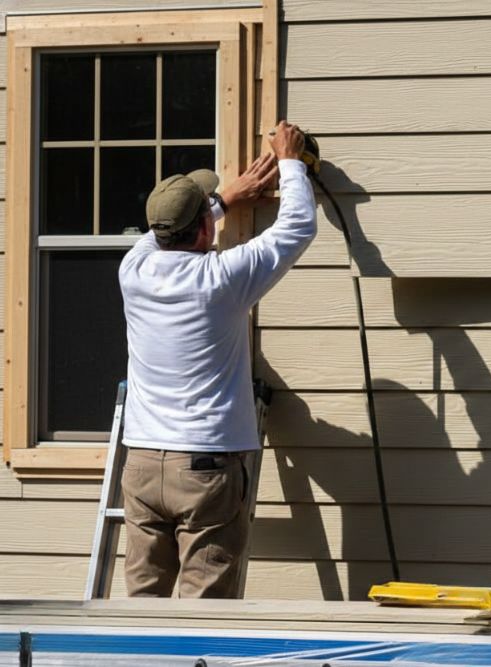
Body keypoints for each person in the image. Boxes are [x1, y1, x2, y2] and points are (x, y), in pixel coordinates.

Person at [118, 121, 316, 598]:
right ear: (205, 228)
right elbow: (297, 227)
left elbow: (166, 229)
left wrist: (225, 198)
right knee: (201, 613)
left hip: (142, 463)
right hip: (204, 467)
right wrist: (289, 161)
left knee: (144, 609)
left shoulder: (133, 267)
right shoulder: (220, 279)